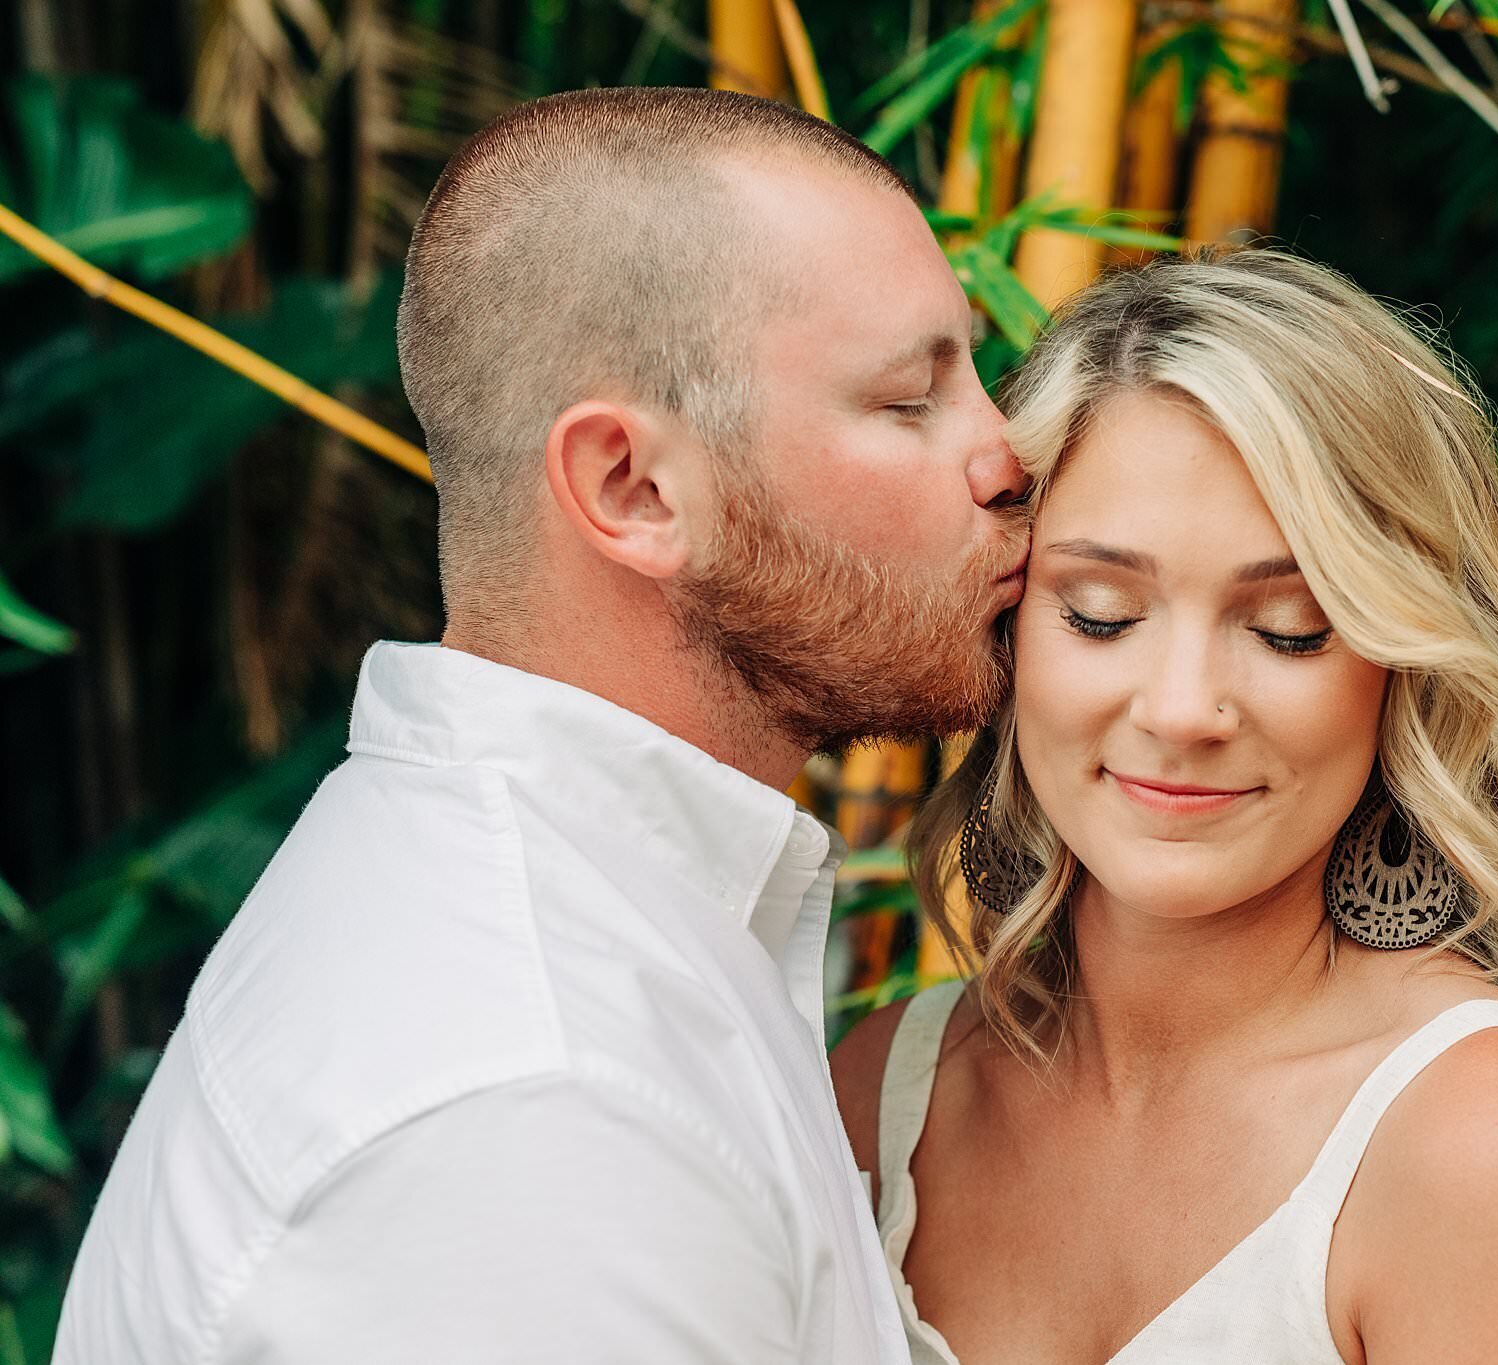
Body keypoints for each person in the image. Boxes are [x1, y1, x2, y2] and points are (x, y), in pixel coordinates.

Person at [56, 87, 1027, 1365]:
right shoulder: (539, 1102)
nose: (1007, 455)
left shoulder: (563, 930)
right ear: (630, 487)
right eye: (910, 402)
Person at [832, 249, 1498, 1364]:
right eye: (1099, 614)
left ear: (1401, 665)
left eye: (1288, 628)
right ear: (1007, 627)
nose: (1184, 710)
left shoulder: (1480, 1140)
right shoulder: (887, 1090)